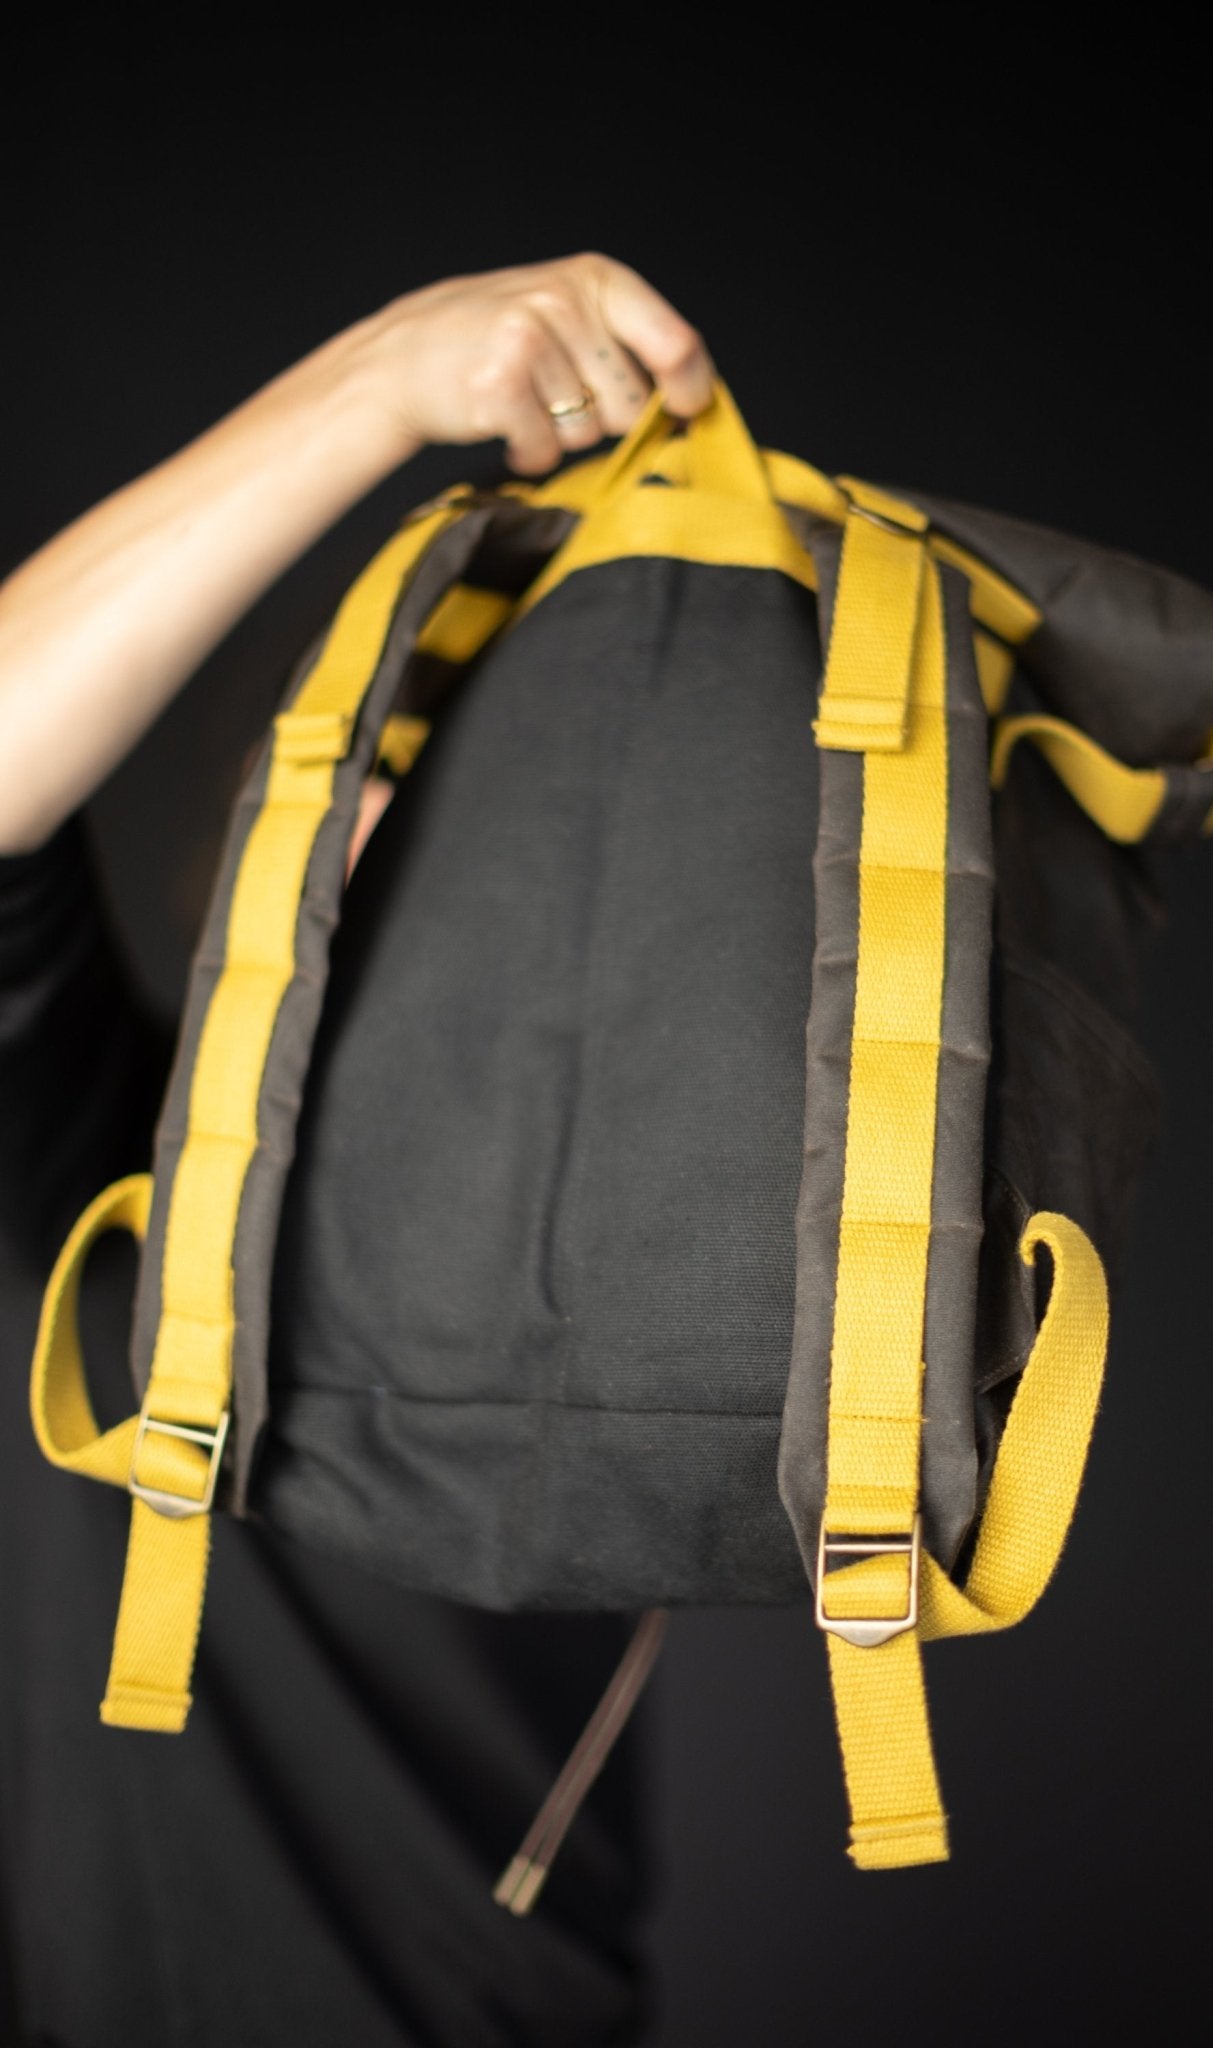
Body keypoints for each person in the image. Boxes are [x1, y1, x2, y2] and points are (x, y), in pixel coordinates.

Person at [0, 255, 714, 2048]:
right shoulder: (105, 1176)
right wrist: (383, 382)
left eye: (516, 817)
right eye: (387, 781)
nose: (436, 860)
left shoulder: (676, 1240)